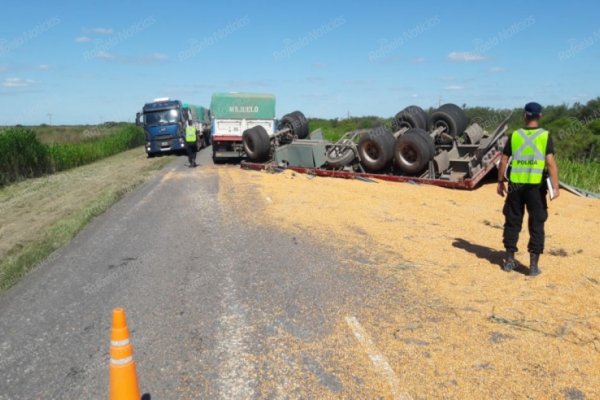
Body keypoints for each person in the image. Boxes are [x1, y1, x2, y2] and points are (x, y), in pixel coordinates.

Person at [497, 102, 560, 276]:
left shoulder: (515, 135)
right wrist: (555, 186)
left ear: (524, 116)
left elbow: (503, 160)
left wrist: (500, 181)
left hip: (515, 187)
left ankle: (509, 261)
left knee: (512, 221)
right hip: (536, 188)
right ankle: (533, 267)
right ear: (540, 116)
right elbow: (550, 163)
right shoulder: (545, 136)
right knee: (537, 223)